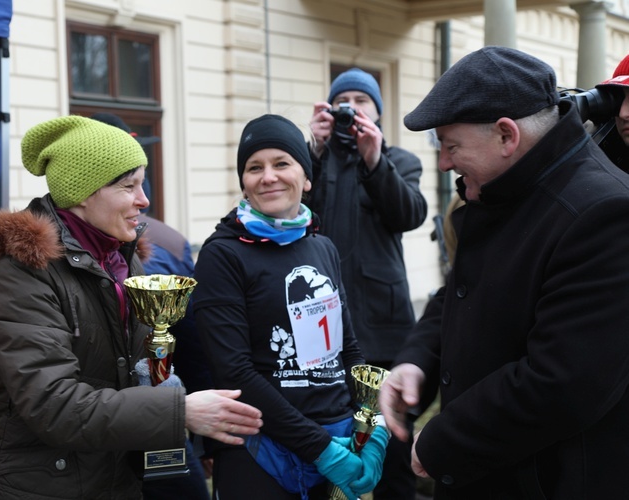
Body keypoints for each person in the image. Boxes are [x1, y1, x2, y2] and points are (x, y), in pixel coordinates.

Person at [0, 115, 264, 499]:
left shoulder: (120, 258)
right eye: (129, 186)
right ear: (83, 192)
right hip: (38, 485)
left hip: (110, 478)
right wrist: (179, 410)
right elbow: (53, 405)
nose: (144, 200)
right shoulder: (18, 272)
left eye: (142, 184)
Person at [380, 46, 629, 499]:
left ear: (506, 136)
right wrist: (417, 360)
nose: (444, 163)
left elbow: (563, 382)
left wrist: (445, 440)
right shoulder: (510, 188)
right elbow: (463, 290)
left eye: (451, 146)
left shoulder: (604, 213)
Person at [193, 113, 389, 500]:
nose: (268, 176)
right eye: (254, 167)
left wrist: (373, 418)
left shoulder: (323, 247)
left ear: (306, 176)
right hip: (262, 453)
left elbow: (346, 347)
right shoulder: (222, 255)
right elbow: (235, 373)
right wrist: (318, 447)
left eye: (281, 163)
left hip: (337, 440)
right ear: (244, 183)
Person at [307, 67, 427, 500]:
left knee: (391, 441)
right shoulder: (311, 162)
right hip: (322, 324)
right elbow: (291, 213)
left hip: (383, 324)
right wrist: (315, 151)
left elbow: (409, 214)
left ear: (377, 112)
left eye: (362, 101)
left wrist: (375, 159)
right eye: (344, 101)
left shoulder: (400, 160)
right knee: (330, 437)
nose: (352, 109)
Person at [89, 111, 214, 500]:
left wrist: (202, 436)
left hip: (160, 427)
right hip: (92, 442)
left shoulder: (165, 244)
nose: (141, 198)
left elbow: (190, 342)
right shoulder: (40, 261)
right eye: (126, 182)